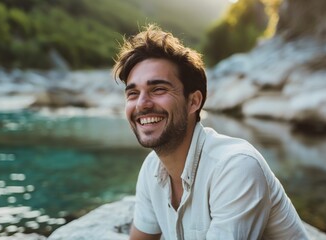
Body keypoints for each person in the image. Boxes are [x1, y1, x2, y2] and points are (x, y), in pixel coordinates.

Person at [113, 24, 308, 240]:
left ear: (193, 102)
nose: (142, 104)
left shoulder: (235, 166)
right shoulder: (152, 168)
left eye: (158, 89)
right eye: (132, 93)